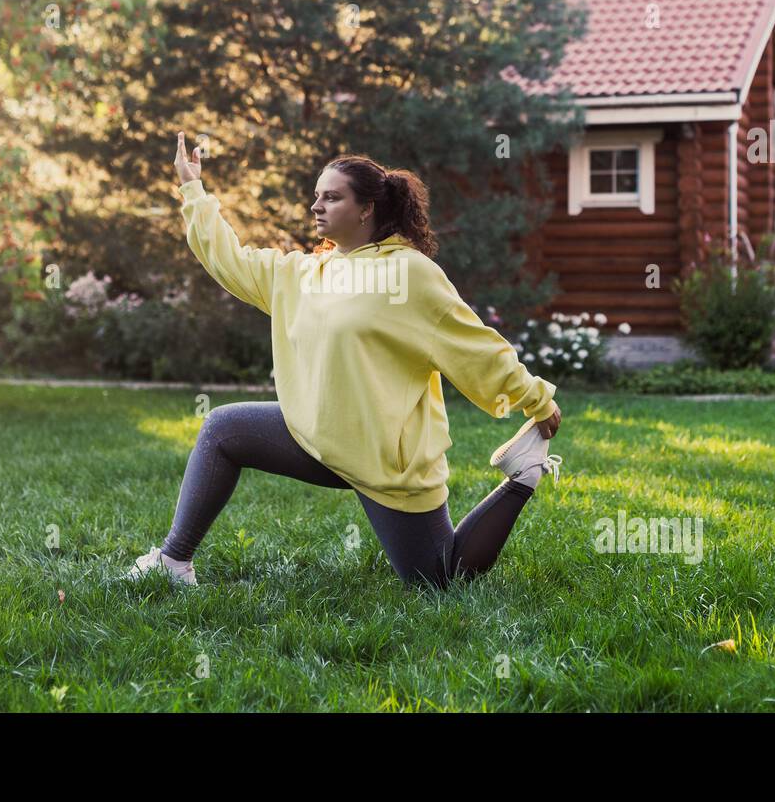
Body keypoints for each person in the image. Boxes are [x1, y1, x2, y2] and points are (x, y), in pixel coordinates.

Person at [126, 132, 562, 590]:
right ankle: (172, 562)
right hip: (316, 436)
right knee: (222, 428)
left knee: (439, 579)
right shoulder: (305, 271)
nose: (316, 206)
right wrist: (193, 190)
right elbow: (228, 259)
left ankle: (523, 477)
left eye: (331, 197)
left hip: (382, 456)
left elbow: (475, 346)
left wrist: (535, 400)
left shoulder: (410, 273)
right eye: (316, 196)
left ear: (367, 208)